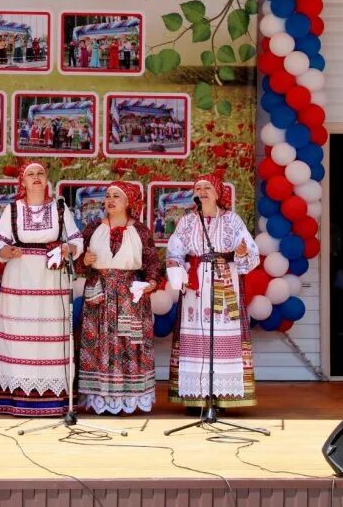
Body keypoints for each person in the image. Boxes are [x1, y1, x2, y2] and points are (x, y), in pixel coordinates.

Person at [0, 162, 83, 416]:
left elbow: (76, 240)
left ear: (47, 179)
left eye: (40, 173)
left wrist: (68, 249)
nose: (36, 177)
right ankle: (17, 397)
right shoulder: (13, 210)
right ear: (23, 181)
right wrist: (5, 251)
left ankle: (54, 399)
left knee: (51, 333)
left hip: (52, 279)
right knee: (20, 335)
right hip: (19, 279)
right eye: (31, 174)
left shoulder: (60, 208)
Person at [165, 171, 260, 409]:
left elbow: (249, 250)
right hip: (195, 284)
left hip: (223, 279)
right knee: (195, 334)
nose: (202, 193)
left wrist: (241, 252)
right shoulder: (186, 221)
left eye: (207, 188)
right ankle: (195, 395)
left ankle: (222, 395)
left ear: (218, 193)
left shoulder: (231, 219)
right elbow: (174, 250)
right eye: (198, 189)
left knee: (221, 333)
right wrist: (177, 265)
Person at [77, 182, 161, 415]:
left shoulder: (141, 231)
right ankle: (99, 397)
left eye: (117, 196)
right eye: (107, 196)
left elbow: (153, 263)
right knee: (100, 342)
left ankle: (130, 397)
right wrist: (83, 261)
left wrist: (151, 283)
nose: (110, 200)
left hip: (129, 294)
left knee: (129, 342)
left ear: (129, 202)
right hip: (100, 293)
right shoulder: (93, 228)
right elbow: (77, 263)